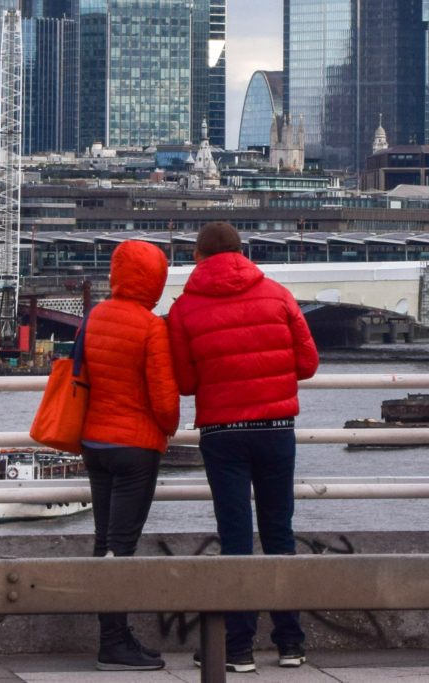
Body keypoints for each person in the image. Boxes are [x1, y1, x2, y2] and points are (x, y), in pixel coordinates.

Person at [167, 221, 320, 673]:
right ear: (242, 252)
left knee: (235, 537)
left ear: (198, 257)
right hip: (276, 429)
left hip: (222, 434)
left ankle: (236, 647)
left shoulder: (184, 309)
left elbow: (187, 382)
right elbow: (308, 363)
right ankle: (290, 642)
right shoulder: (278, 294)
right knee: (279, 533)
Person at [76, 237, 183, 670]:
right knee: (122, 546)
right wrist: (169, 429)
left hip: (94, 443)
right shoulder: (151, 326)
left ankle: (113, 637)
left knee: (104, 539)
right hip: (135, 446)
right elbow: (164, 401)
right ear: (155, 279)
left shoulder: (93, 317)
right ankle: (114, 644)